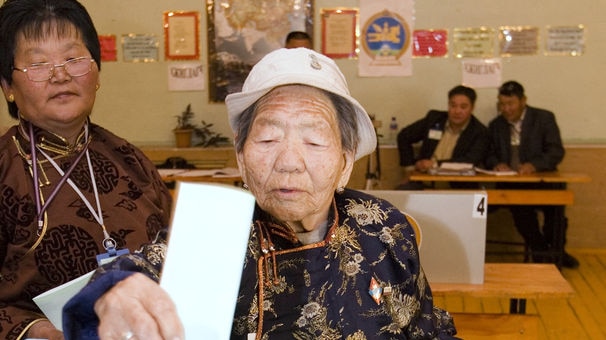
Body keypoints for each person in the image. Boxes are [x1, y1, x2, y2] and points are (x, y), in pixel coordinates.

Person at [63, 48, 458, 339]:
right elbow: (137, 274)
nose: (289, 161)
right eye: (268, 137)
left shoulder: (383, 225)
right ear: (240, 155)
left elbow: (427, 328)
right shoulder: (218, 232)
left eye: (314, 142)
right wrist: (113, 292)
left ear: (346, 161)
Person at [0, 0, 172, 339]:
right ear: (7, 86)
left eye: (74, 59)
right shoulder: (5, 167)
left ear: (96, 73)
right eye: (38, 63)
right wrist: (44, 332)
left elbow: (176, 255)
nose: (60, 74)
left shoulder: (130, 159)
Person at [485, 80, 578, 268]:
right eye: (502, 104)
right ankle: (541, 251)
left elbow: (555, 151)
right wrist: (498, 164)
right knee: (522, 214)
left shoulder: (544, 118)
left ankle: (557, 252)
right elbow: (488, 153)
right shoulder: (496, 125)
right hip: (513, 183)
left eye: (510, 104)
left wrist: (534, 165)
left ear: (523, 101)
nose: (506, 109)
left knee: (556, 215)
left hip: (543, 181)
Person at [396, 85, 489, 189]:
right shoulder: (434, 119)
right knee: (402, 191)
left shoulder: (479, 131)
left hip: (459, 186)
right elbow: (404, 136)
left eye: (463, 107)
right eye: (453, 105)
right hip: (425, 180)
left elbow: (469, 161)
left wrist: (434, 164)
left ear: (472, 108)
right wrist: (409, 169)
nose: (457, 111)